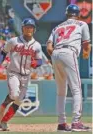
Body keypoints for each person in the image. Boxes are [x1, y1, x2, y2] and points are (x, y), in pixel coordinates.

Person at [46, 4, 91, 132]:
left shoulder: (57, 27)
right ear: (78, 15)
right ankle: (76, 122)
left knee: (61, 92)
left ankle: (61, 123)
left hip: (56, 53)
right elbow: (86, 44)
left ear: (66, 14)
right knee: (76, 89)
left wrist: (56, 57)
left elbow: (49, 47)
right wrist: (86, 51)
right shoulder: (82, 24)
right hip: (69, 52)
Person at [0, 18, 43, 131]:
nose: (29, 29)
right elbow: (3, 52)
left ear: (34, 29)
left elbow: (40, 61)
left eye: (31, 27)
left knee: (18, 101)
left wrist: (36, 63)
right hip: (13, 72)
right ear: (22, 28)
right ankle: (3, 106)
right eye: (27, 27)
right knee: (14, 94)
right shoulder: (13, 41)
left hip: (26, 75)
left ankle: (4, 121)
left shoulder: (37, 45)